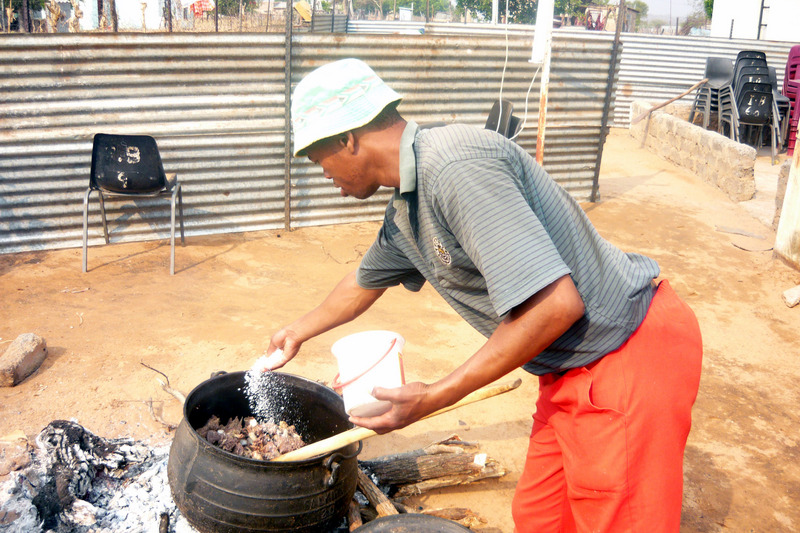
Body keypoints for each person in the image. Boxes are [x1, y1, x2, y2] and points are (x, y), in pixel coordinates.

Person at [260, 58, 703, 533]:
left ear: (348, 139)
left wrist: (432, 397)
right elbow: (361, 283)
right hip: (566, 367)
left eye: (317, 158)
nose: (322, 173)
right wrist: (295, 332)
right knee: (542, 517)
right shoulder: (408, 206)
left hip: (623, 355)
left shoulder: (454, 167)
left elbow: (556, 306)